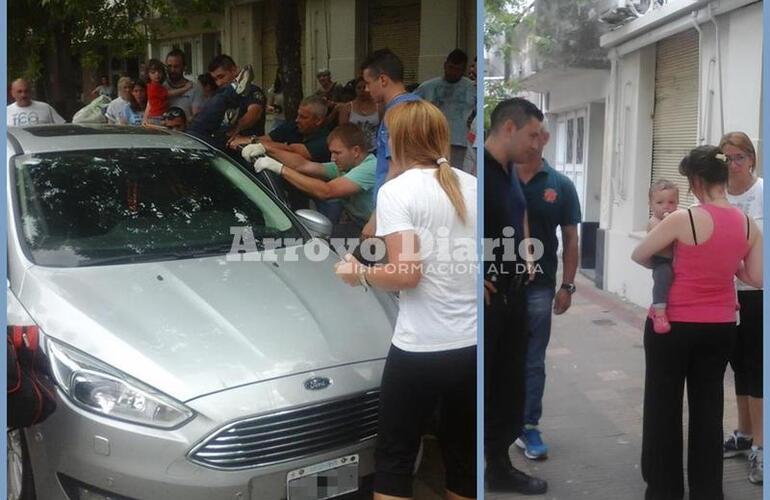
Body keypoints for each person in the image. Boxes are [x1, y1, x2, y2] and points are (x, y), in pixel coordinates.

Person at [334, 100, 477, 500]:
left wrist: (358, 273)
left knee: (395, 460)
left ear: (396, 139)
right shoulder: (471, 185)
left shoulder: (399, 192)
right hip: (471, 349)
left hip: (421, 351)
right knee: (462, 458)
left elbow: (406, 274)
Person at [631, 145, 762, 499]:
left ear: (696, 181)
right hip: (720, 327)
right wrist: (728, 265)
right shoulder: (748, 224)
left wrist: (671, 266)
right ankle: (707, 491)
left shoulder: (683, 219)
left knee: (663, 407)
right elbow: (757, 277)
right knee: (708, 409)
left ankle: (664, 490)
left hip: (672, 325)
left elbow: (639, 253)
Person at [483, 97, 547, 494]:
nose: (538, 144)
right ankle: (490, 468)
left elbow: (515, 218)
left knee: (511, 386)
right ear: (509, 127)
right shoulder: (478, 174)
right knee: (489, 387)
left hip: (514, 295)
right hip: (489, 301)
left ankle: (499, 465)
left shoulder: (509, 171)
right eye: (532, 135)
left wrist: (525, 258)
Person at [513, 120, 580, 461]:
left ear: (547, 138)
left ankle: (528, 426)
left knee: (532, 361)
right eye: (529, 133)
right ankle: (495, 424)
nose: (535, 141)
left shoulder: (561, 185)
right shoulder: (498, 176)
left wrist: (567, 285)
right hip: (498, 285)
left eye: (540, 134)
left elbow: (570, 238)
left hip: (540, 286)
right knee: (496, 357)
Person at [721, 131, 764, 484]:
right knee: (739, 366)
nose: (734, 165)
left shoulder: (762, 192)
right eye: (727, 159)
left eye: (739, 157)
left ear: (751, 158)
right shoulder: (718, 196)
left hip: (757, 293)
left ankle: (762, 449)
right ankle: (744, 433)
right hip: (725, 294)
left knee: (758, 367)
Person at [244, 123, 375, 237]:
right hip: (359, 225)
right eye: (331, 152)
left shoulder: (371, 167)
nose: (332, 158)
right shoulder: (346, 166)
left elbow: (327, 191)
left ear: (356, 151)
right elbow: (302, 165)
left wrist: (279, 168)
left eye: (337, 153)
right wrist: (266, 148)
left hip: (377, 232)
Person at [359, 49, 421, 238]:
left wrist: (375, 218)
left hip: (395, 211)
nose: (366, 90)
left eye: (368, 83)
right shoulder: (418, 106)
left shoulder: (396, 114)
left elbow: (396, 168)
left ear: (383, 80)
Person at [414, 49, 476, 170]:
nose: (452, 72)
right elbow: (411, 107)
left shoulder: (472, 88)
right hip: (433, 142)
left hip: (460, 142)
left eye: (457, 69)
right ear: (445, 65)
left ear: (463, 70)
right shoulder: (427, 87)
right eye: (450, 67)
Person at [187, 55, 261, 150]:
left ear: (234, 70)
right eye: (215, 79)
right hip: (221, 145)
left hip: (244, 146)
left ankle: (233, 89)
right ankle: (233, 89)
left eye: (221, 77)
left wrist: (234, 131)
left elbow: (254, 113)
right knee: (195, 131)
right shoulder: (218, 94)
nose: (219, 83)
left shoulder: (252, 91)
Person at [645, 179, 680, 334]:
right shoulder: (654, 221)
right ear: (651, 205)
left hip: (677, 260)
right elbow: (661, 237)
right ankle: (659, 312)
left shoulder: (676, 219)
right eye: (660, 202)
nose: (666, 206)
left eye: (671, 202)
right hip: (662, 261)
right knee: (662, 278)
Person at [338, 77, 381, 153]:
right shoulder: (347, 107)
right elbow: (343, 131)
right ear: (355, 90)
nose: (362, 90)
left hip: (375, 149)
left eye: (364, 87)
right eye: (359, 88)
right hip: (354, 149)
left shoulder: (379, 107)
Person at [143, 58, 193, 126]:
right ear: (148, 74)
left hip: (158, 115)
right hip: (157, 117)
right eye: (153, 72)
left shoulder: (157, 85)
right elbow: (170, 93)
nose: (157, 75)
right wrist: (185, 88)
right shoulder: (154, 87)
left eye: (159, 72)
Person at [165, 49, 204, 120]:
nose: (172, 70)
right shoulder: (161, 87)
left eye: (176, 66)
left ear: (184, 67)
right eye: (169, 66)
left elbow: (196, 116)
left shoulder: (195, 88)